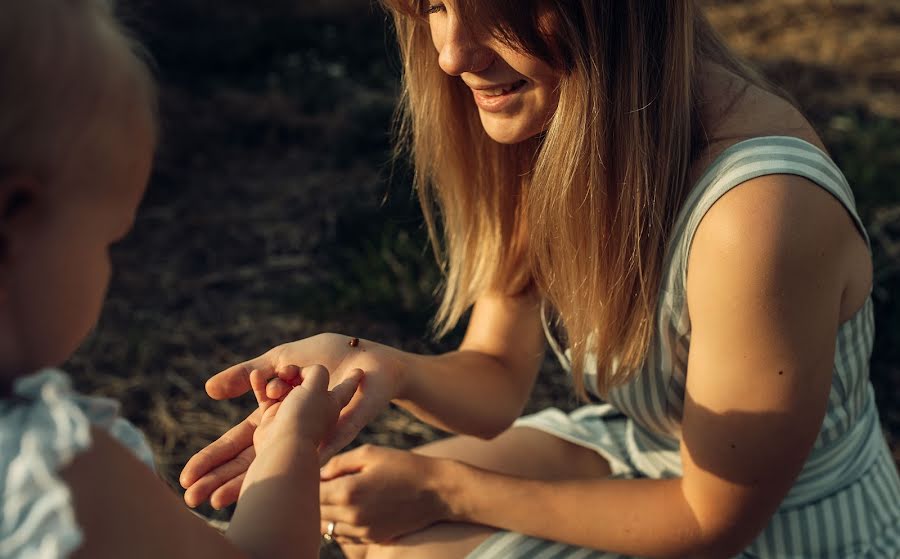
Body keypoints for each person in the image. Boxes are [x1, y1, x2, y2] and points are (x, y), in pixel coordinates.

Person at [180, 1, 900, 557]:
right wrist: (382, 365)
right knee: (365, 511)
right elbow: (494, 377)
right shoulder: (561, 117)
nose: (452, 53)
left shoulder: (758, 215)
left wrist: (444, 488)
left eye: (501, 7)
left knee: (410, 533)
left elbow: (712, 519)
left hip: (788, 526)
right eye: (433, 4)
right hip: (651, 450)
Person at [0, 1, 362, 557]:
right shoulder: (52, 471)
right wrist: (292, 444)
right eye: (107, 242)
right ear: (13, 220)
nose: (108, 270)